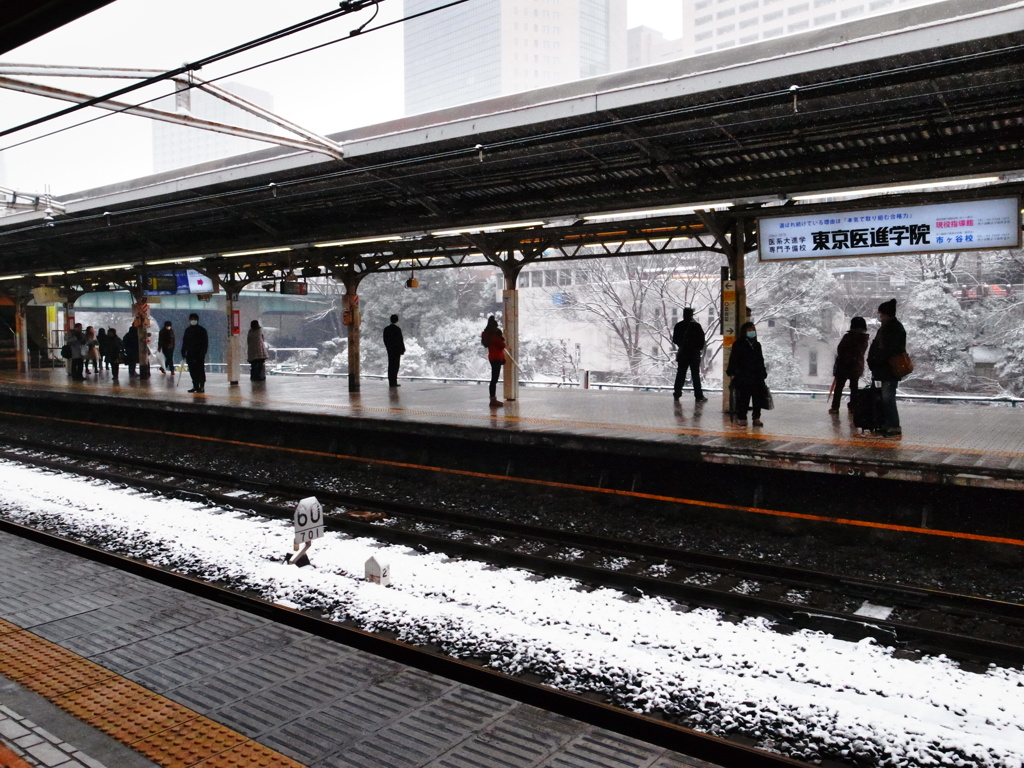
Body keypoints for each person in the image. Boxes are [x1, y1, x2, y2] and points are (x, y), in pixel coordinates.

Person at [867, 299, 907, 437]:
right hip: (883, 369)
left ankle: (893, 425)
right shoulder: (889, 328)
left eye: (882, 314)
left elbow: (889, 349)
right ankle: (887, 424)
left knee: (887, 397)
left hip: (888, 369)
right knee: (884, 397)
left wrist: (876, 359)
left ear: (887, 314)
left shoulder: (893, 328)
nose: (880, 317)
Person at [726, 321, 768, 427]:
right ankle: (742, 417)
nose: (752, 332)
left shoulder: (757, 345)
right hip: (744, 376)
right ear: (744, 331)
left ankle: (756, 418)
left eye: (753, 330)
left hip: (757, 376)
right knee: (743, 398)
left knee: (757, 398)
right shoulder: (739, 344)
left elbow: (760, 360)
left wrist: (763, 372)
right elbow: (733, 359)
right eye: (749, 330)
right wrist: (732, 371)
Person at [829, 316, 869, 414]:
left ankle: (835, 407)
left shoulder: (848, 337)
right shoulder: (864, 338)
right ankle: (853, 406)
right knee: (854, 387)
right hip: (856, 365)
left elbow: (840, 349)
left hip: (844, 365)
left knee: (839, 387)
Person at [672, 307, 707, 402]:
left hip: (683, 353)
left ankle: (677, 393)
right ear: (692, 315)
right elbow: (702, 341)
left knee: (680, 374)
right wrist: (696, 348)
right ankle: (698, 395)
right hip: (693, 354)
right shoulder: (696, 326)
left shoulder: (679, 326)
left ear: (683, 315)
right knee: (695, 375)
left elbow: (675, 340)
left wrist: (683, 345)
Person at [481, 315, 506, 408]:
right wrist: (501, 336)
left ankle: (492, 398)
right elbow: (502, 345)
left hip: (492, 357)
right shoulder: (494, 335)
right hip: (497, 358)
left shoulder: (486, 334)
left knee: (494, 379)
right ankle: (493, 400)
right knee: (494, 379)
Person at [180, 312, 209, 393]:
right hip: (190, 354)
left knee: (200, 370)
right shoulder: (187, 330)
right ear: (189, 320)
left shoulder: (202, 330)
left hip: (199, 354)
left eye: (195, 319)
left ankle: (201, 385)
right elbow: (184, 342)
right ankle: (195, 385)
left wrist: (203, 352)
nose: (193, 321)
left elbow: (205, 343)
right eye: (192, 319)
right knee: (192, 371)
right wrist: (183, 351)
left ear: (197, 320)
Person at [382, 314, 405, 388]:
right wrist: (402, 349)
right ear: (397, 320)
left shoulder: (386, 329)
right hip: (397, 350)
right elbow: (400, 340)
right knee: (396, 365)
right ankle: (394, 381)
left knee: (390, 365)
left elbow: (385, 340)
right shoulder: (397, 329)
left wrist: (388, 347)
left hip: (390, 350)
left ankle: (390, 381)